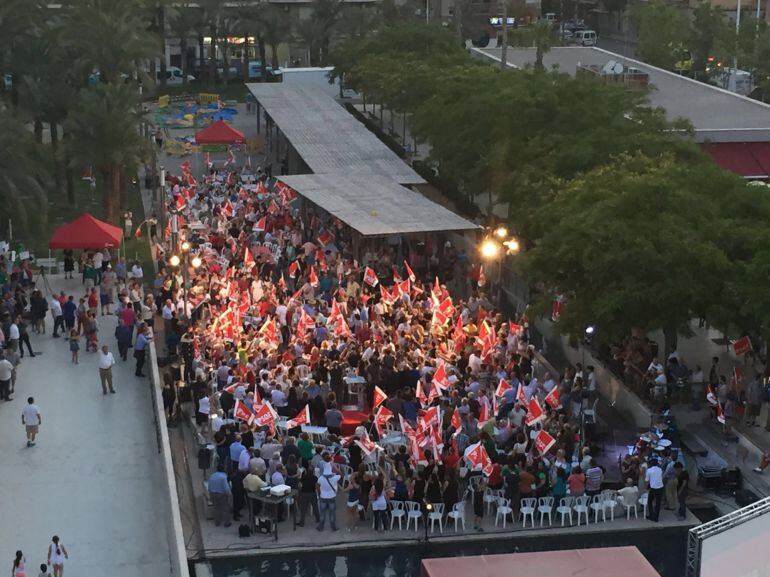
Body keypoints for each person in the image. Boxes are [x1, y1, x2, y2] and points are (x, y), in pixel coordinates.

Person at [316, 460, 340, 532]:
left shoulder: (320, 478)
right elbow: (341, 473)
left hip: (323, 497)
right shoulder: (335, 477)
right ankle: (333, 527)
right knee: (332, 513)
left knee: (322, 513)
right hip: (332, 497)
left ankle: (321, 527)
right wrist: (335, 467)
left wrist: (320, 493)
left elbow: (317, 486)